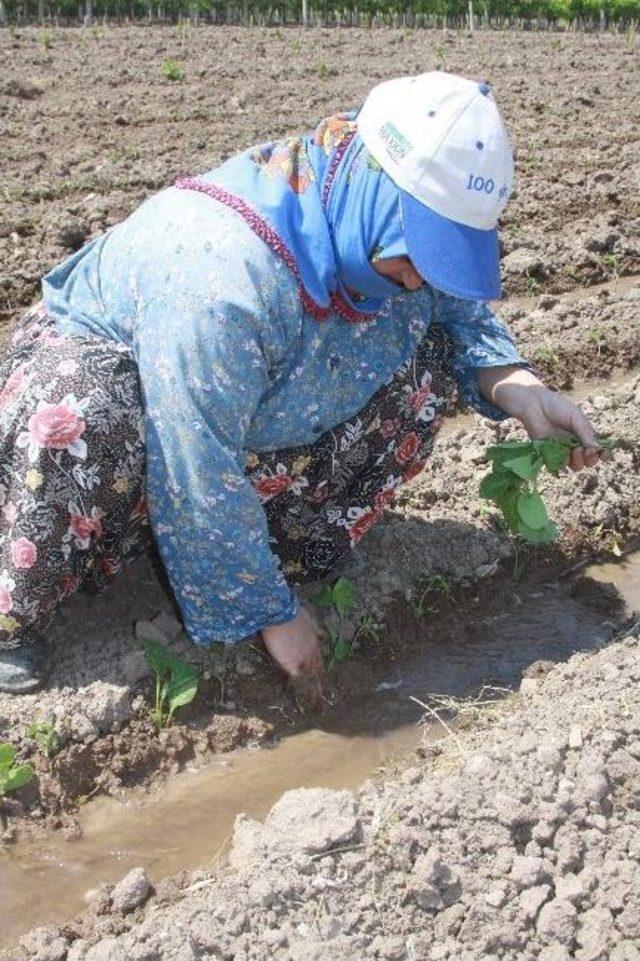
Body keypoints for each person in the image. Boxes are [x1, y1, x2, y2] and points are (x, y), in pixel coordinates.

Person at [0, 72, 605, 700]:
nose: (422, 276)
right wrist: (272, 615)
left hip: (221, 401)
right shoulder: (223, 278)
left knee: (423, 361)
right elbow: (195, 461)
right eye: (416, 252)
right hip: (128, 386)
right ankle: (16, 611)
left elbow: (455, 310)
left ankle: (270, 554)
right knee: (79, 417)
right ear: (379, 193)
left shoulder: (360, 217)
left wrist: (517, 384)